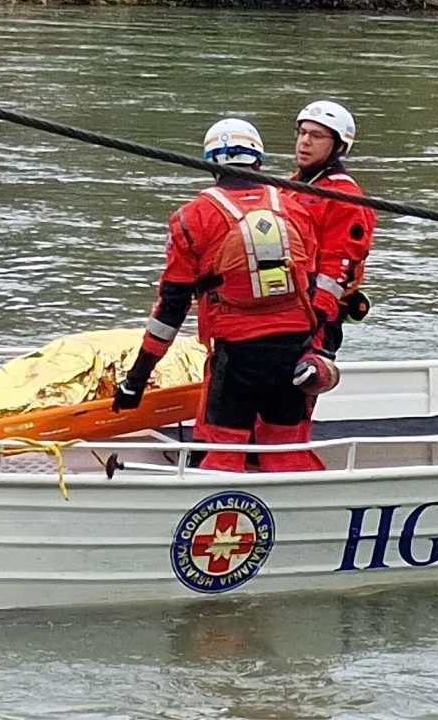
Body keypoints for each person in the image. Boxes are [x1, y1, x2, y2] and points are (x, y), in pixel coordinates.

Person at [114, 117, 342, 471]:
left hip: (237, 356)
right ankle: (302, 513)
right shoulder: (295, 209)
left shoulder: (193, 218)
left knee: (223, 449)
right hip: (294, 352)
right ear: (258, 161)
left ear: (210, 164)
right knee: (286, 450)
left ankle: (216, 513)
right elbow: (312, 286)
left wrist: (137, 379)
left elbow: (170, 310)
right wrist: (316, 349)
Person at [289, 98, 375, 355]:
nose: (305, 142)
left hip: (315, 319)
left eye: (316, 136)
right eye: (303, 133)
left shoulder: (345, 198)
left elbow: (339, 266)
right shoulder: (288, 186)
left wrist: (314, 317)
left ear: (338, 146)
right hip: (282, 310)